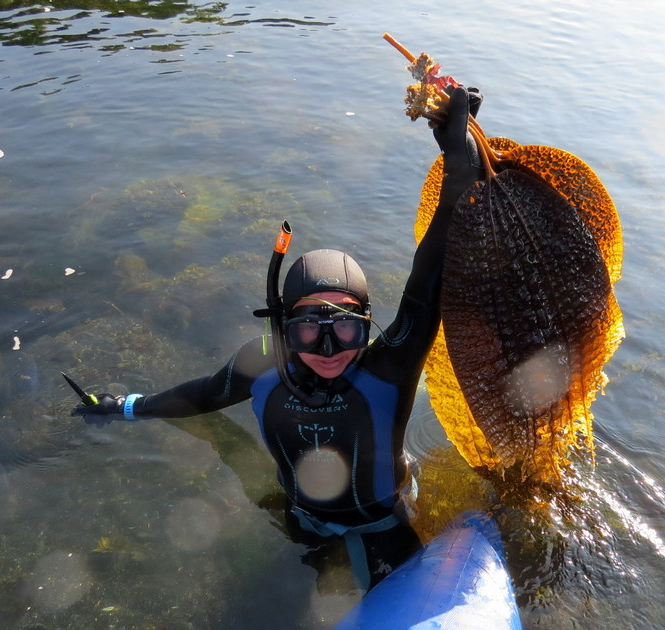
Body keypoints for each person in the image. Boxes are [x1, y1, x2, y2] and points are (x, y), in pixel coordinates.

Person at [72, 86, 484, 591]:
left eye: (347, 328)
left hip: (388, 521)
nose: (329, 351)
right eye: (310, 328)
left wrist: (460, 160)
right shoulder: (264, 361)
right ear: (284, 327)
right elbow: (203, 395)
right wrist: (124, 406)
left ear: (370, 324)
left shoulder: (388, 367)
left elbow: (430, 279)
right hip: (300, 523)